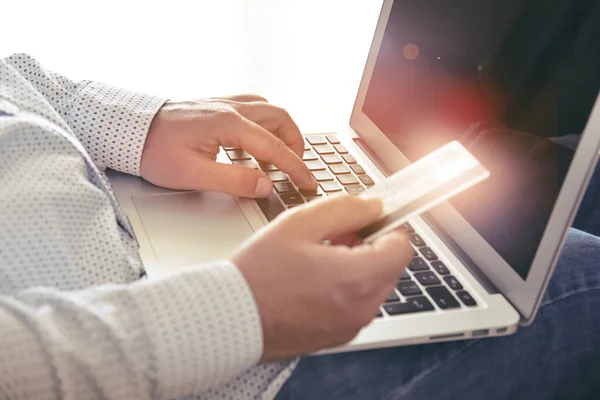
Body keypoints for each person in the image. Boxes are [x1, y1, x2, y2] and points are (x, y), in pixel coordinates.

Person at [0, 52, 598, 400]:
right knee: (577, 271)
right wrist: (245, 307)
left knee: (533, 162)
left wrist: (141, 125)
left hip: (134, 222)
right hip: (205, 362)